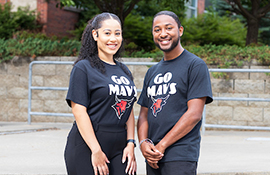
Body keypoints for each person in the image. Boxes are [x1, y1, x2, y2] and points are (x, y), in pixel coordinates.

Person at [137, 10, 213, 175]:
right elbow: (143, 114)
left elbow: (194, 114)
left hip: (180, 154)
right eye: (157, 30)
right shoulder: (152, 71)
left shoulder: (195, 65)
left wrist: (162, 145)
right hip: (153, 155)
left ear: (180, 30)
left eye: (168, 28)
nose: (163, 33)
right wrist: (143, 142)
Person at [64, 12, 137, 175]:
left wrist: (131, 143)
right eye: (107, 33)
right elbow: (79, 111)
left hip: (120, 146)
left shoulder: (124, 70)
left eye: (118, 34)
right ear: (95, 34)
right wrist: (95, 150)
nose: (114, 39)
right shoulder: (83, 68)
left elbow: (129, 109)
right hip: (88, 145)